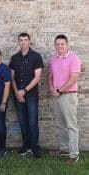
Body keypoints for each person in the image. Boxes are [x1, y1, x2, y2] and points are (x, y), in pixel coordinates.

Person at [9, 33, 44, 158]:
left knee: (33, 122)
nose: (23, 42)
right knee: (23, 122)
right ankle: (25, 146)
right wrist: (17, 92)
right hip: (17, 95)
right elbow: (11, 77)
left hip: (31, 95)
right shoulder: (14, 58)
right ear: (18, 42)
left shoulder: (36, 57)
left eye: (25, 40)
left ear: (30, 41)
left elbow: (37, 77)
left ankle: (35, 148)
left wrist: (24, 91)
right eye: (21, 40)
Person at [48, 35, 81, 165]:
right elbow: (50, 76)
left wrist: (60, 90)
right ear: (54, 45)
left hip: (68, 95)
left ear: (67, 45)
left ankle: (74, 154)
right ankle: (64, 148)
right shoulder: (53, 59)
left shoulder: (74, 58)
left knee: (71, 126)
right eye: (57, 44)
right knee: (60, 124)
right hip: (56, 95)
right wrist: (51, 88)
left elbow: (73, 78)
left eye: (62, 44)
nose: (59, 46)